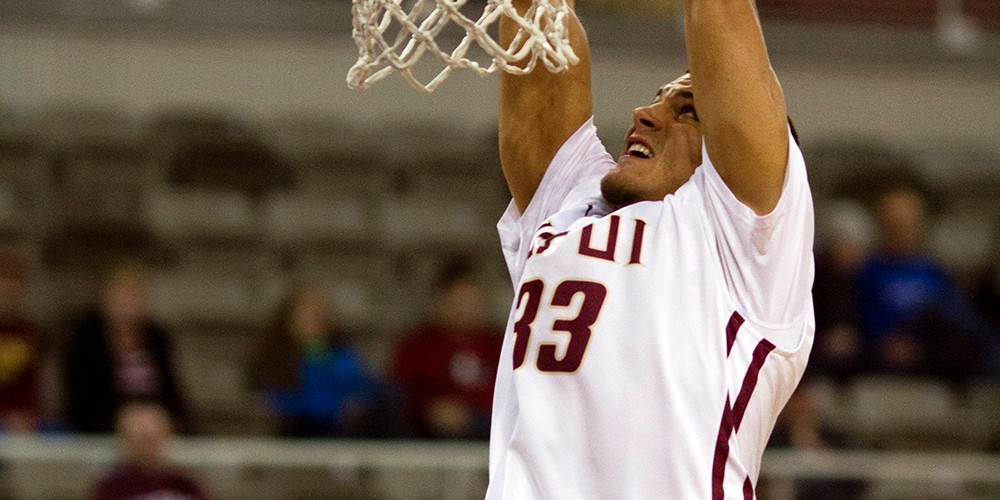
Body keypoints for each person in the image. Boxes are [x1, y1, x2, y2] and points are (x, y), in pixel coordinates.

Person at [488, 0, 814, 497]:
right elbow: (540, 23)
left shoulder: (748, 241)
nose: (644, 114)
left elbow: (720, 14)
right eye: (656, 100)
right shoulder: (572, 201)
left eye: (684, 110)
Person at [856, 185, 993, 382]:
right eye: (895, 224)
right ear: (882, 226)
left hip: (932, 346)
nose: (901, 231)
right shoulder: (868, 272)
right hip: (887, 349)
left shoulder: (934, 271)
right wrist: (886, 340)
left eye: (907, 224)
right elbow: (866, 317)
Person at [63, 263, 189, 434]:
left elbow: (171, 393)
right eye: (124, 296)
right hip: (102, 425)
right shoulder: (87, 338)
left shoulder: (156, 337)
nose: (129, 304)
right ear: (108, 298)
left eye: (135, 296)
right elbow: (82, 397)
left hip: (152, 426)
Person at [248, 286, 389, 438]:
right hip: (299, 431)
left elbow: (364, 388)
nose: (313, 326)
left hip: (344, 431)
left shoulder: (342, 354)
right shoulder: (275, 358)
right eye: (306, 319)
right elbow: (275, 402)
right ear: (289, 321)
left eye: (318, 318)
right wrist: (332, 407)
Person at [392, 262, 502, 439]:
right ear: (441, 301)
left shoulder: (500, 347)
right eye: (459, 301)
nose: (466, 309)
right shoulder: (417, 348)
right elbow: (403, 394)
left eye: (471, 301)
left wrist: (473, 412)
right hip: (428, 437)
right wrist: (431, 409)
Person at [89, 401, 209, 500]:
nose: (146, 445)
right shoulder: (111, 488)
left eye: (152, 437)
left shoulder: (185, 485)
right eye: (140, 438)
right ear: (124, 440)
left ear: (167, 436)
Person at [0, 248, 43, 434]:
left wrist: (26, 414)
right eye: (3, 279)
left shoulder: (30, 333)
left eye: (14, 281)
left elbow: (32, 387)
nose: (8, 287)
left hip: (21, 423)